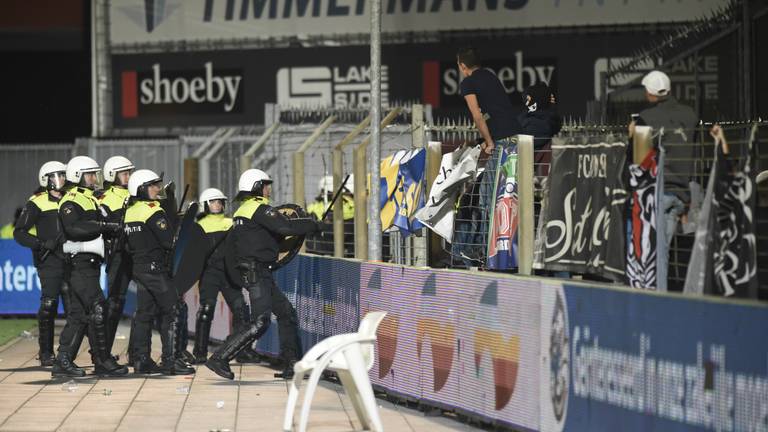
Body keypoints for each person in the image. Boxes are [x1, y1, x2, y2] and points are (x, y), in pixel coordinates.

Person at [205, 169, 322, 380]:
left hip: (257, 271)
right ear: (257, 186)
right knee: (260, 321)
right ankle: (220, 357)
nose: (269, 189)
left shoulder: (243, 211)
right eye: (266, 184)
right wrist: (312, 224)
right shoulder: (258, 208)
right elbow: (284, 227)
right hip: (256, 272)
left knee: (286, 313)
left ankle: (293, 365)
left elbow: (265, 238)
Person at [52, 156, 128, 377]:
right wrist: (104, 226)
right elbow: (74, 228)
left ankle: (63, 361)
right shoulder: (71, 200)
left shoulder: (92, 199)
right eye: (90, 174)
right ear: (78, 176)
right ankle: (102, 360)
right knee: (98, 307)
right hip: (78, 263)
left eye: (95, 174)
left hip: (91, 264)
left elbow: (108, 220)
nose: (95, 178)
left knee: (79, 314)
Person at [630, 70, 698, 290]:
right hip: (682, 192)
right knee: (666, 249)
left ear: (650, 92)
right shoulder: (690, 115)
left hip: (658, 193)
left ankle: (659, 297)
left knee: (657, 252)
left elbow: (639, 159)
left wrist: (632, 134)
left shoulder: (646, 118)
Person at [124, 169, 194, 375]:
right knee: (173, 310)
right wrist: (175, 222)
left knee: (144, 314)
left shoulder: (130, 211)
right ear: (141, 189)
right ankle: (170, 361)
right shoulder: (152, 211)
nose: (157, 189)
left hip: (139, 268)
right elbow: (168, 240)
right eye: (153, 186)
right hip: (156, 269)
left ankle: (141, 360)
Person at [457, 47, 523, 264]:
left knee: (487, 198)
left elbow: (477, 115)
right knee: (508, 197)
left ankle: (484, 252)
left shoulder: (468, 82)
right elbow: (495, 110)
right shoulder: (491, 76)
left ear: (462, 66)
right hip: (516, 138)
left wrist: (489, 142)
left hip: (502, 142)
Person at [190, 187, 256, 364]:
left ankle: (241, 351)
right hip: (209, 273)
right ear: (205, 204)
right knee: (206, 311)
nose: (217, 205)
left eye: (220, 202)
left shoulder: (231, 223)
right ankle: (200, 353)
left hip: (229, 273)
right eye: (213, 202)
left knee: (241, 310)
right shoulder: (198, 226)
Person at [14, 162, 70, 366]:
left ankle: (68, 351)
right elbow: (19, 232)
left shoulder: (70, 199)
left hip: (72, 259)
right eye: (58, 175)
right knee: (49, 304)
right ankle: (46, 352)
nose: (62, 179)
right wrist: (40, 244)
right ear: (45, 179)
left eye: (63, 175)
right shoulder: (36, 202)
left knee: (76, 309)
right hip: (49, 261)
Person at [98, 156, 135, 357]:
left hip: (137, 253)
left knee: (147, 303)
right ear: (112, 175)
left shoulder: (136, 193)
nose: (128, 176)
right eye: (124, 173)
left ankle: (137, 354)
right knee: (114, 304)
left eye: (129, 172)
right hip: (118, 254)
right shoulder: (105, 199)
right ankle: (103, 353)